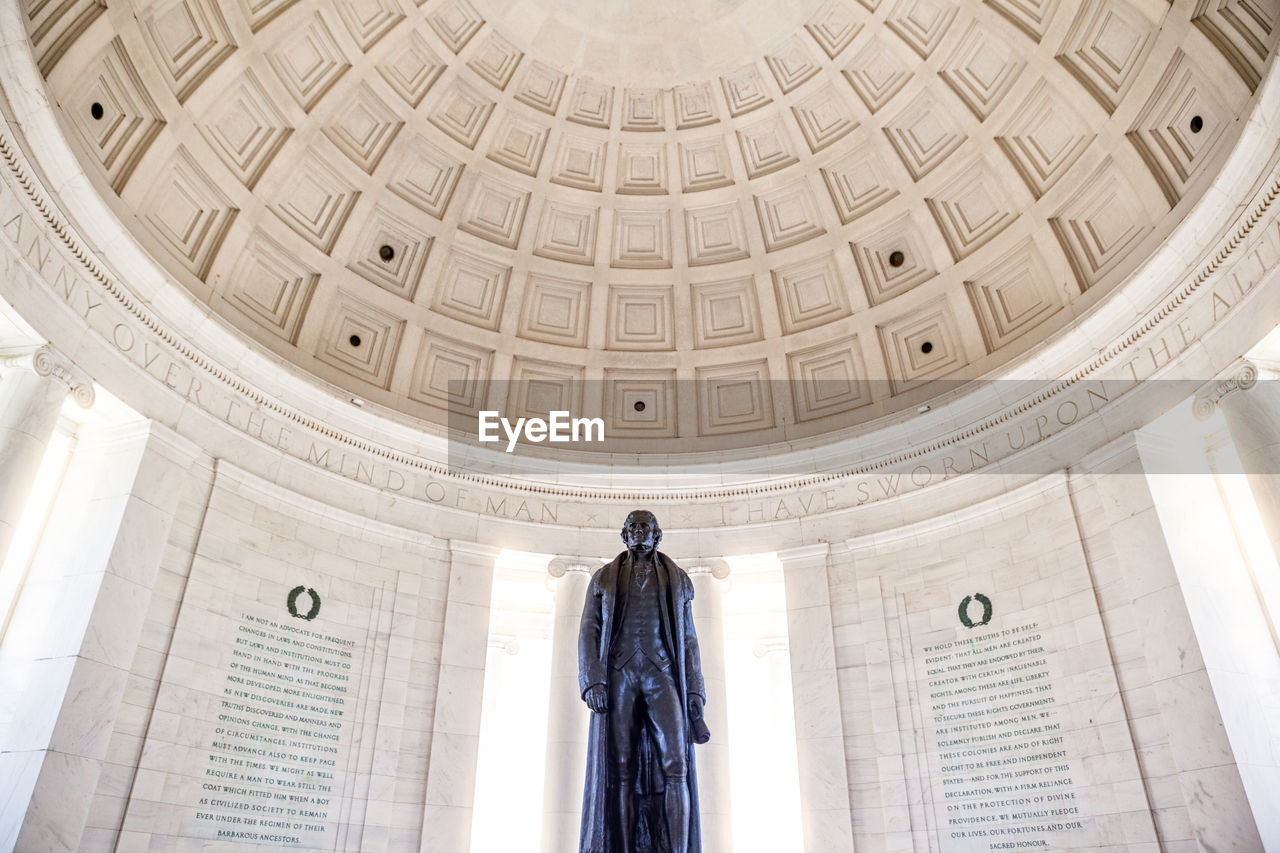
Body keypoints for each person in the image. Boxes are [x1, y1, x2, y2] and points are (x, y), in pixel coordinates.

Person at [578, 510, 707, 853]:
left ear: (656, 534)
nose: (638, 532)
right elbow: (589, 631)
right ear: (624, 535)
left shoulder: (678, 579)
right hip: (618, 674)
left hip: (661, 673)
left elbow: (690, 639)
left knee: (676, 763)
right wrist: (592, 681)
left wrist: (694, 688)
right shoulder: (603, 577)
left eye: (644, 526)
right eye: (632, 527)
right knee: (619, 770)